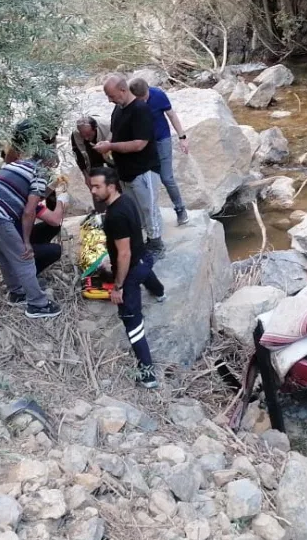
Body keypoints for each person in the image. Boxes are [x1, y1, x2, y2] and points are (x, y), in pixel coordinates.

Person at [88, 166, 163, 389]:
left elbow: (124, 253)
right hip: (144, 259)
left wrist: (117, 286)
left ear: (111, 187)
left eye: (97, 186)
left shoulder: (115, 216)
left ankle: (148, 375)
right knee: (144, 271)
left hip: (131, 269)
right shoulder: (126, 200)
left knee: (131, 321)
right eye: (92, 185)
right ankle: (160, 292)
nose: (93, 190)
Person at [0, 146, 63, 318]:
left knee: (3, 254)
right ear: (47, 162)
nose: (51, 169)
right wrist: (26, 242)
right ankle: (38, 304)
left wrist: (53, 186)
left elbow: (29, 194)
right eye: (52, 165)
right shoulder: (39, 172)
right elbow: (29, 211)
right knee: (24, 257)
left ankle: (17, 292)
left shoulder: (16, 165)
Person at [94, 75, 165, 256]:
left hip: (144, 169)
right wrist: (107, 144)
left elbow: (139, 143)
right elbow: (114, 132)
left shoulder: (141, 110)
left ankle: (156, 244)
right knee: (134, 209)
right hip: (125, 170)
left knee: (149, 207)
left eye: (111, 95)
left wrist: (110, 146)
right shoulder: (119, 109)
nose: (110, 100)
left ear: (123, 90)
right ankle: (141, 242)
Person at [136, 78, 191, 226]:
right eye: (140, 98)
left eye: (145, 96)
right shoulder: (132, 101)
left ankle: (180, 209)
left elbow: (171, 115)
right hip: (143, 144)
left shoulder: (158, 95)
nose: (144, 100)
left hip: (161, 139)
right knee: (146, 180)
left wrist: (182, 137)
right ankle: (149, 215)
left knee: (167, 178)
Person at [0, 192, 68, 278]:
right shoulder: (28, 203)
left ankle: (33, 260)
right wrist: (60, 200)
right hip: (7, 253)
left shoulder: (15, 197)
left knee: (52, 227)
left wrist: (52, 196)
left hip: (11, 242)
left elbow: (53, 220)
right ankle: (26, 276)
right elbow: (55, 219)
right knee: (56, 250)